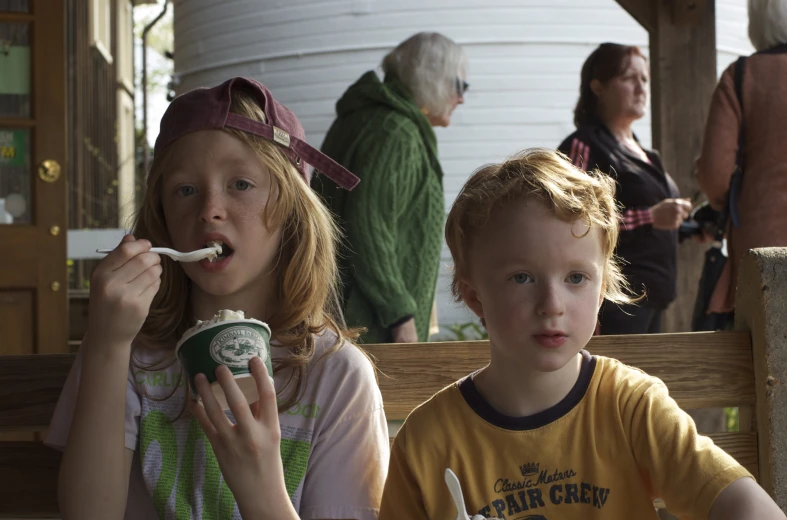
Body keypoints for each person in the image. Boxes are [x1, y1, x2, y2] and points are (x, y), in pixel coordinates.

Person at [45, 77, 389, 519]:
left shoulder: (336, 377)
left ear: (291, 210)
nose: (209, 207)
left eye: (241, 184)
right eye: (185, 189)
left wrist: (260, 486)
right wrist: (107, 344)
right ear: (163, 220)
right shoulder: (130, 353)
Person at [378, 148, 784, 520]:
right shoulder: (426, 442)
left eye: (576, 277)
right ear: (474, 296)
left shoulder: (631, 407)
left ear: (602, 284)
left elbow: (739, 501)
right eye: (522, 277)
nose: (552, 303)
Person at [314, 32, 468, 344]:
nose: (461, 98)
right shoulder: (395, 132)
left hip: (344, 313)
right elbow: (368, 230)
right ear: (434, 80)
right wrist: (400, 316)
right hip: (372, 326)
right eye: (460, 85)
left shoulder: (368, 118)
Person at [558, 43, 691, 335]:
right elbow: (573, 223)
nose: (641, 88)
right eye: (629, 78)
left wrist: (688, 227)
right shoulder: (584, 145)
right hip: (616, 299)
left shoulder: (648, 155)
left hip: (655, 297)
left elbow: (651, 226)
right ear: (598, 87)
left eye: (644, 79)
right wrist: (650, 217)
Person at [695, 0, 787, 316]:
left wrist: (722, 205)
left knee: (765, 350)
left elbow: (715, 173)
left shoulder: (742, 75)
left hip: (764, 244)